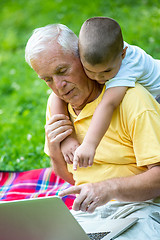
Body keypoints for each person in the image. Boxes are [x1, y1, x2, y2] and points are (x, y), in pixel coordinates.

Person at [25, 24, 160, 239]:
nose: (58, 86)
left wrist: (109, 188)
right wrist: (54, 148)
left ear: (82, 58)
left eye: (62, 71)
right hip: (90, 214)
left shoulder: (132, 99)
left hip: (140, 209)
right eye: (48, 79)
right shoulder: (59, 106)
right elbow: (73, 178)